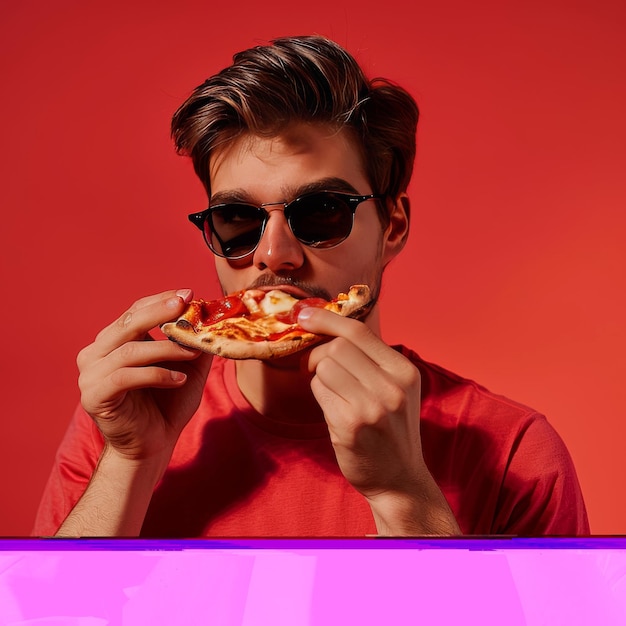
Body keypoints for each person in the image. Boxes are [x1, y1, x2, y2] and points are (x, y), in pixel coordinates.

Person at [33, 35, 589, 537]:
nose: (275, 255)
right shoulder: (128, 416)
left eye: (322, 211)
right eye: (238, 221)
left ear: (392, 227)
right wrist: (131, 464)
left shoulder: (513, 449)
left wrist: (403, 496)